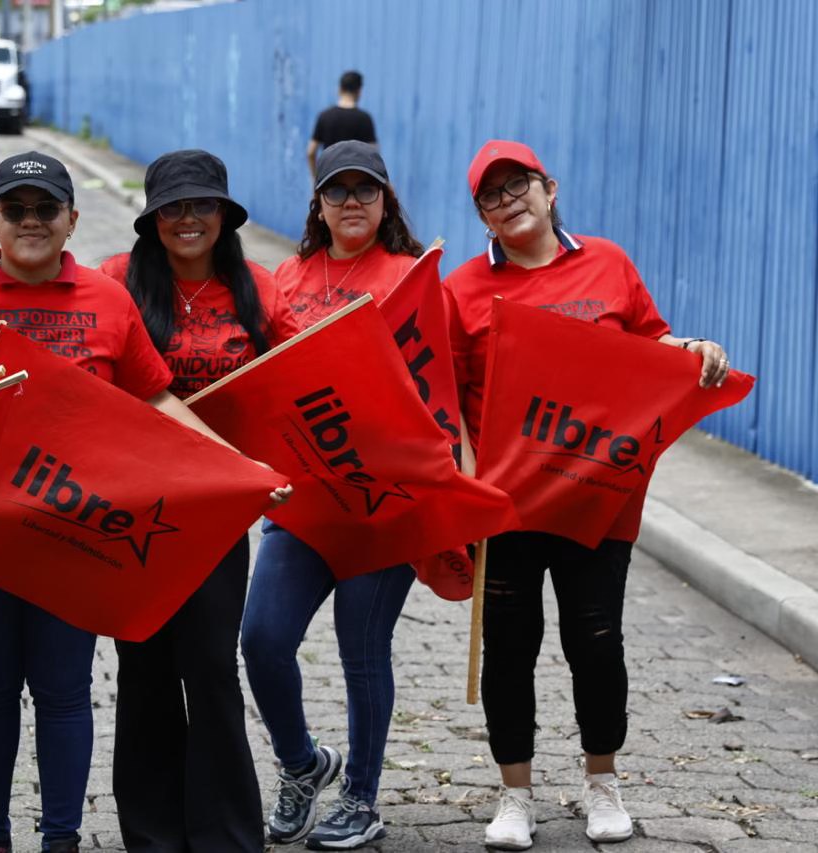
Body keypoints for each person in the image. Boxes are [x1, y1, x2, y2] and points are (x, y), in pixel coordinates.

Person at [0, 151, 288, 853]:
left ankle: (62, 839)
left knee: (66, 691)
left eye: (46, 208)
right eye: (15, 210)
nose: (31, 222)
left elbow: (157, 397)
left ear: (72, 220)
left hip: (74, 536)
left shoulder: (109, 302)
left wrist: (233, 464)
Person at [443, 139, 733, 850]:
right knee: (510, 647)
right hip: (509, 503)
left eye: (520, 187)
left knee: (596, 643)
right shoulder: (463, 291)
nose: (509, 201)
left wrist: (688, 348)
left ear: (550, 189)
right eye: (492, 195)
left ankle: (602, 780)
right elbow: (448, 401)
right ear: (481, 215)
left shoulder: (607, 262)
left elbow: (649, 346)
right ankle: (515, 796)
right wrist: (470, 481)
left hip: (597, 496)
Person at [97, 149, 300, 851]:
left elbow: (310, 376)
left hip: (217, 513)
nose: (188, 219)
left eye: (202, 205)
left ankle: (227, 835)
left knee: (211, 669)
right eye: (174, 207)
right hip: (135, 511)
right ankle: (153, 835)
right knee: (143, 666)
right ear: (152, 219)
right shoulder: (116, 283)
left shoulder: (257, 288)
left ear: (223, 214)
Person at [239, 140, 423, 851]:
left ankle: (362, 797)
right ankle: (302, 763)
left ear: (386, 200)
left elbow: (439, 382)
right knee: (262, 638)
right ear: (318, 203)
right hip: (305, 502)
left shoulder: (411, 276)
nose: (352, 201)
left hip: (383, 505)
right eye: (337, 190)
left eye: (365, 190)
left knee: (361, 646)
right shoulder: (286, 277)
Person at [307, 70, 377, 181]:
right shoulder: (364, 119)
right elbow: (374, 154)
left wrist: (315, 178)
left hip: (329, 179)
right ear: (359, 91)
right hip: (356, 182)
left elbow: (311, 152)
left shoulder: (324, 116)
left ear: (339, 89)